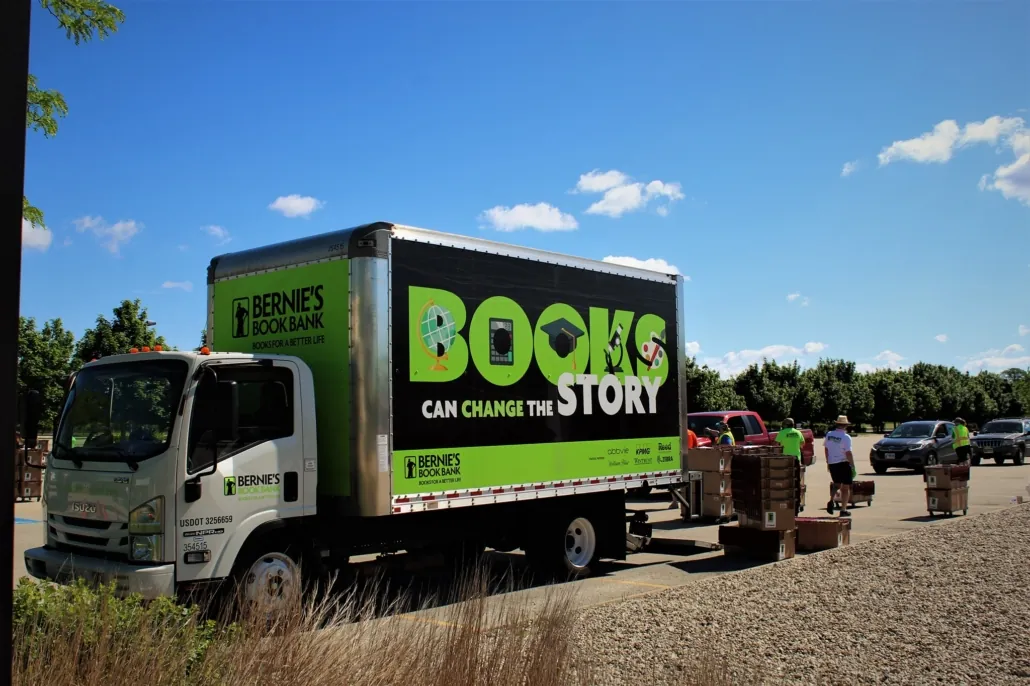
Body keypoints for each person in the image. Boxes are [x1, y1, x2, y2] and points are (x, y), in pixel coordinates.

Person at [825, 414, 855, 517]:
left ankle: (831, 500)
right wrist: (853, 465)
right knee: (846, 487)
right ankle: (843, 509)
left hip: (832, 463)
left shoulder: (829, 434)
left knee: (836, 484)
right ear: (846, 425)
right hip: (843, 463)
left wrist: (828, 462)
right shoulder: (846, 437)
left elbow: (826, 449)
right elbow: (848, 453)